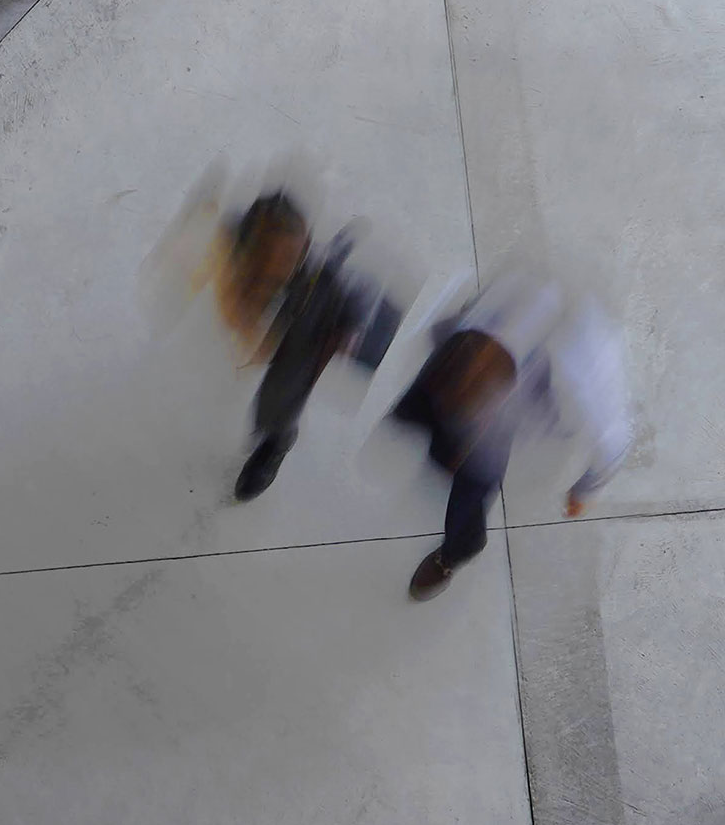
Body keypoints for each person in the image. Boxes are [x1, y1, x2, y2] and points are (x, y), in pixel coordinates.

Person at [390, 272, 631, 601]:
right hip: (487, 365)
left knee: (472, 487)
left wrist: (583, 490)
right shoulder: (504, 302)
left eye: (467, 395)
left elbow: (613, 445)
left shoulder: (586, 387)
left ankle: (456, 552)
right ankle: (433, 432)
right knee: (433, 417)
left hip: (507, 427)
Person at [214, 193, 404, 502]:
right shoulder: (243, 254)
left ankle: (277, 442)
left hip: (306, 329)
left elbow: (359, 306)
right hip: (274, 314)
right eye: (267, 257)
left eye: (289, 256)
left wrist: (344, 334)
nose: (278, 266)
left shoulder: (327, 283)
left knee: (280, 399)